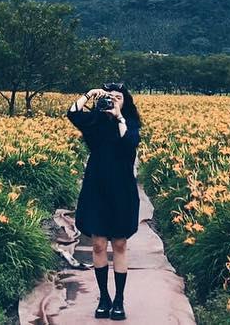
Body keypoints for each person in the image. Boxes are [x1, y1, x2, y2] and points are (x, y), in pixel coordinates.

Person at [66, 81, 142, 320]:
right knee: (98, 244)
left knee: (119, 244)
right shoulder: (95, 123)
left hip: (121, 189)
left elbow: (129, 143)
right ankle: (104, 298)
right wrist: (89, 94)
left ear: (126, 102)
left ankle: (119, 300)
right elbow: (72, 113)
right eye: (109, 97)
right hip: (96, 187)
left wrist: (119, 116)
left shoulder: (129, 123)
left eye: (118, 97)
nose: (113, 101)